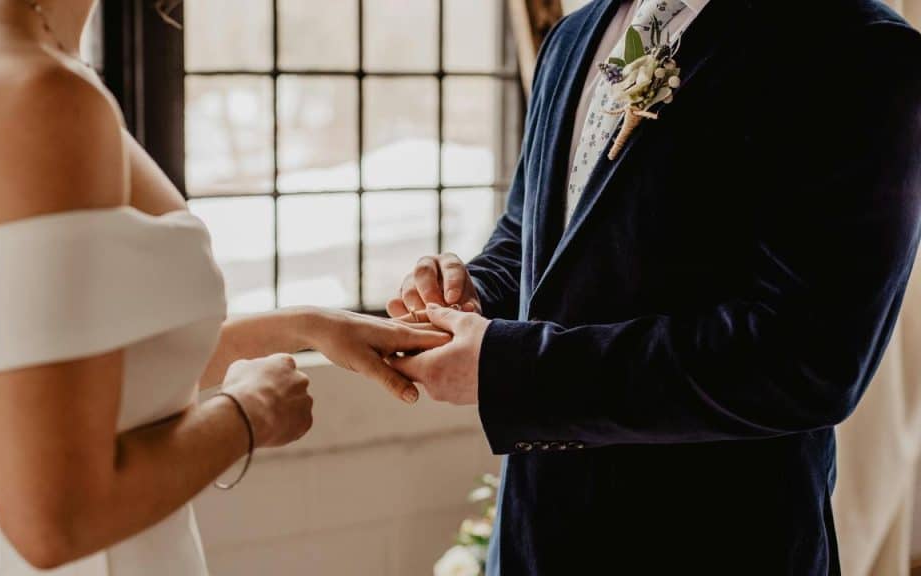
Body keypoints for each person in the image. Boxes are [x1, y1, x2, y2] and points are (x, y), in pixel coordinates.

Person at [0, 0, 448, 574]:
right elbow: (55, 520)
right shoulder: (37, 96)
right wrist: (252, 411)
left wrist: (305, 326)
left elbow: (96, 381)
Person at [389, 0, 921, 574]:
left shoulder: (857, 46)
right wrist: (470, 291)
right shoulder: (571, 36)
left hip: (718, 542)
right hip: (533, 539)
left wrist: (510, 369)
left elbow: (808, 361)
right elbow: (533, 235)